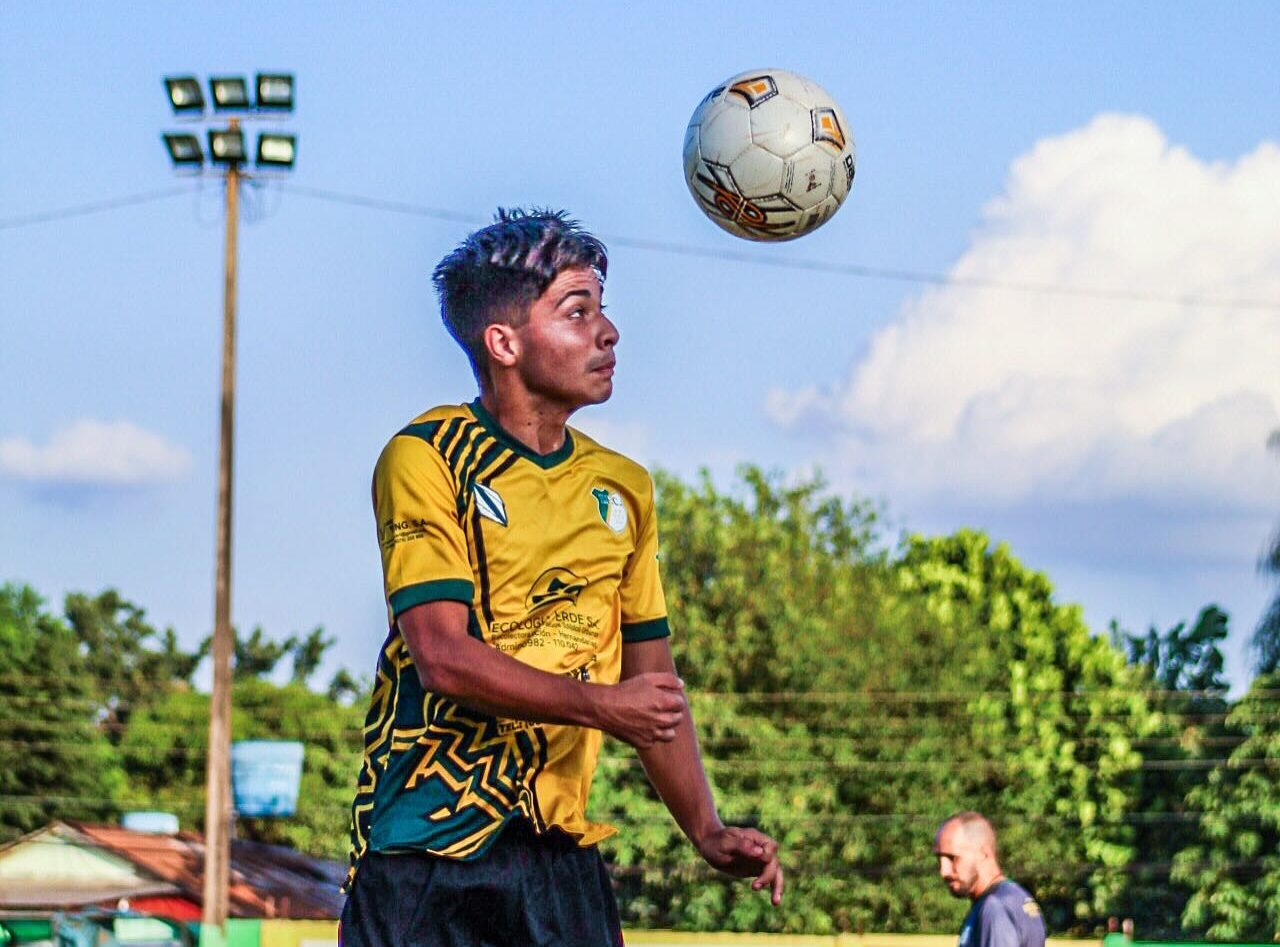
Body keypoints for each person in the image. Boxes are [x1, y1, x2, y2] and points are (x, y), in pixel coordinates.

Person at [340, 208, 784, 945]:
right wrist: (605, 705)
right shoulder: (426, 456)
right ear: (504, 342)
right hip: (423, 853)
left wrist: (705, 828)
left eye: (603, 311)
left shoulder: (624, 487)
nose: (607, 333)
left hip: (560, 857)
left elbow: (655, 690)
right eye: (577, 312)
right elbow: (443, 657)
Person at [933, 812, 1046, 947]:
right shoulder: (1015, 897)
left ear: (983, 853)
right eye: (939, 859)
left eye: (952, 858)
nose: (944, 871)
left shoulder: (994, 907)